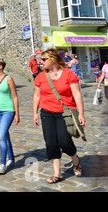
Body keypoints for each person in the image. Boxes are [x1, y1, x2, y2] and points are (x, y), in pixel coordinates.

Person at [33, 49, 85, 184]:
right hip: (46, 113)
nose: (41, 61)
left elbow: (77, 94)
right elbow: (37, 95)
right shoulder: (41, 76)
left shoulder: (68, 74)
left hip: (65, 112)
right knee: (50, 142)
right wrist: (35, 113)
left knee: (64, 141)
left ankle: (75, 159)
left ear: (53, 59)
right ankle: (57, 173)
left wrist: (81, 114)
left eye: (44, 59)